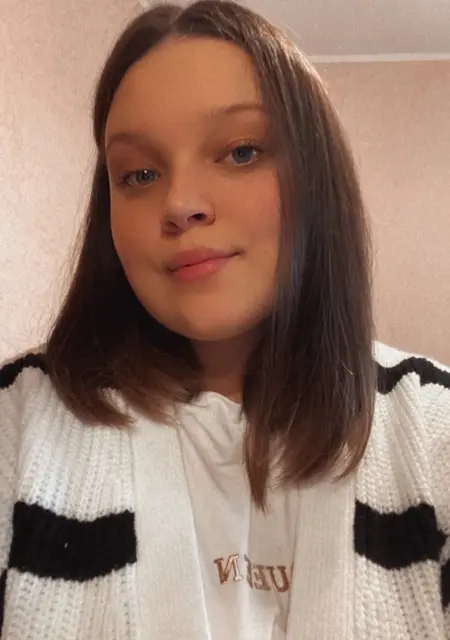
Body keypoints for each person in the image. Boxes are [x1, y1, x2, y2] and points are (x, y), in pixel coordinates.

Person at [0, 0, 449, 637]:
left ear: (316, 179)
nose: (179, 203)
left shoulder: (435, 431)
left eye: (240, 152)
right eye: (139, 173)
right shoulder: (17, 426)